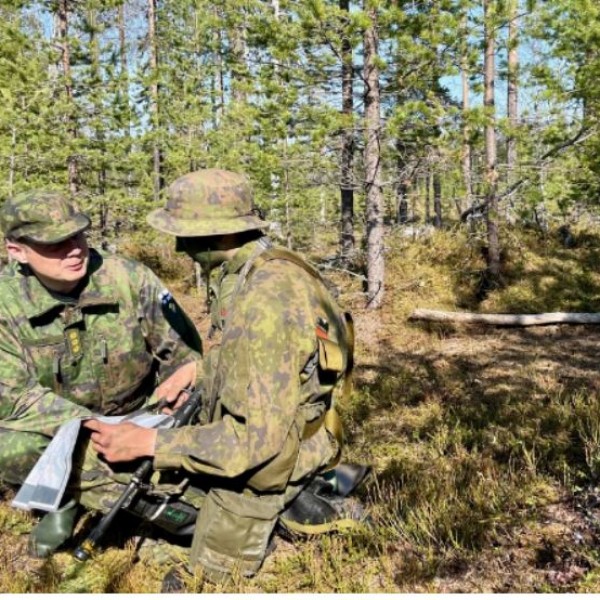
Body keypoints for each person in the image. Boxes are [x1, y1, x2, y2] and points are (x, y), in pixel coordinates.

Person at [84, 169, 366, 584]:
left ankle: (278, 508)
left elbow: (255, 442)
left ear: (217, 235)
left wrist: (152, 442)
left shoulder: (264, 300)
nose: (179, 247)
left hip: (271, 463)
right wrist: (200, 372)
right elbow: (279, 364)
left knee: (94, 468)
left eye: (186, 235)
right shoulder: (268, 266)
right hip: (299, 437)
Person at [0, 190, 203, 557]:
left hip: (144, 415)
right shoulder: (4, 304)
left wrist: (180, 390)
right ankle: (70, 499)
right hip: (61, 429)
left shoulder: (128, 277)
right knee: (10, 447)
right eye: (55, 243)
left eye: (78, 235)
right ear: (17, 251)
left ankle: (130, 497)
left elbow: (184, 351)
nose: (74, 249)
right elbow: (15, 398)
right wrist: (96, 429)